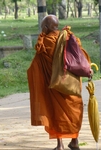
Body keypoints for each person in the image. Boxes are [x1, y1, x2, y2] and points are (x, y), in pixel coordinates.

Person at [27, 15, 92, 150]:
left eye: (42, 27)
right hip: (72, 85)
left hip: (56, 84)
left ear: (46, 27)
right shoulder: (69, 37)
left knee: (56, 112)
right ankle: (75, 141)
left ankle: (60, 145)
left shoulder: (46, 42)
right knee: (74, 112)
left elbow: (36, 65)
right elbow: (81, 57)